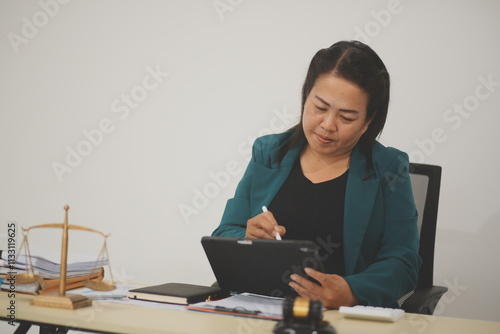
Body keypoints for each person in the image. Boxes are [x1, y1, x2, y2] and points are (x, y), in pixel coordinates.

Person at [211, 40, 421, 309]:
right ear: (306, 96)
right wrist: (247, 237)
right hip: (262, 309)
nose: (328, 125)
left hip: (341, 317)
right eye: (320, 108)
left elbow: (403, 263)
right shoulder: (269, 152)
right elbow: (225, 232)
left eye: (346, 117)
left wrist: (351, 291)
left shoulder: (388, 168)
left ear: (368, 120)